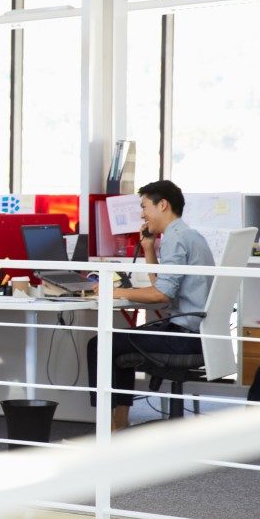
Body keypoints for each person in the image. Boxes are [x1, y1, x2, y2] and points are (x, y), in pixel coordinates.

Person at [86, 180, 214, 431]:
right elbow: (163, 284)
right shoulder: (188, 235)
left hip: (184, 337)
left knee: (101, 343)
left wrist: (113, 291)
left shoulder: (175, 239)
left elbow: (161, 296)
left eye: (144, 207)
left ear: (162, 205)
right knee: (118, 342)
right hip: (198, 334)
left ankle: (109, 426)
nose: (142, 214)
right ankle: (117, 425)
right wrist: (148, 249)